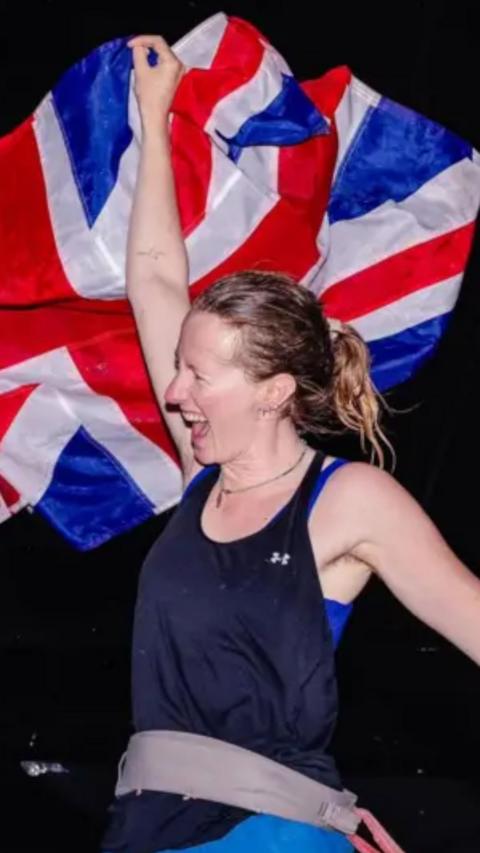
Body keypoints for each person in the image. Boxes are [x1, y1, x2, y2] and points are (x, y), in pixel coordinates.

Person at [102, 35, 480, 853]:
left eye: (200, 376)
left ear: (274, 392)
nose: (175, 392)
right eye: (179, 371)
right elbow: (157, 275)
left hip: (266, 834)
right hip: (142, 827)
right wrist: (155, 113)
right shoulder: (199, 469)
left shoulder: (348, 500)